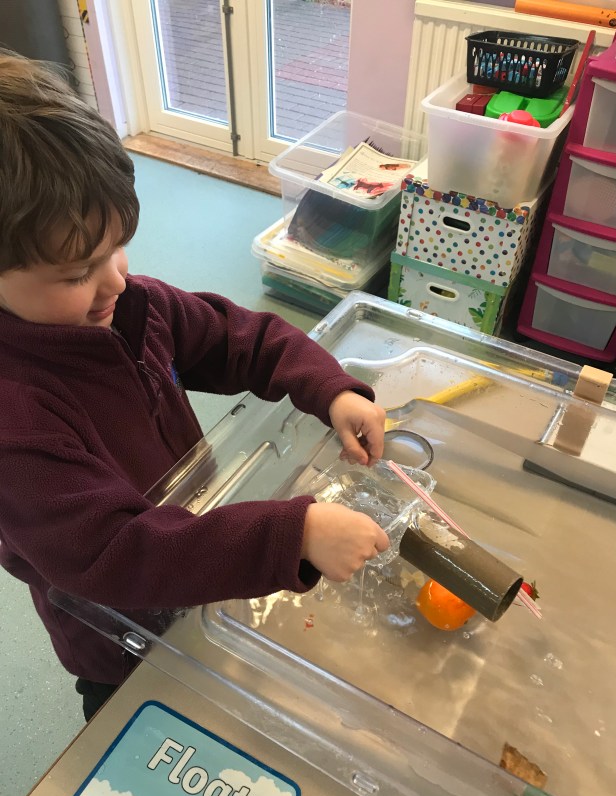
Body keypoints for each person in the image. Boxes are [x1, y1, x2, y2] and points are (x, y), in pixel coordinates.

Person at [0, 51, 390, 721]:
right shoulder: (14, 422)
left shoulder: (132, 306)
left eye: (116, 248)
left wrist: (330, 389)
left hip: (196, 555)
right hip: (118, 641)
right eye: (77, 273)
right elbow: (117, 553)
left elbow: (241, 339)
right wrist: (291, 534)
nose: (116, 280)